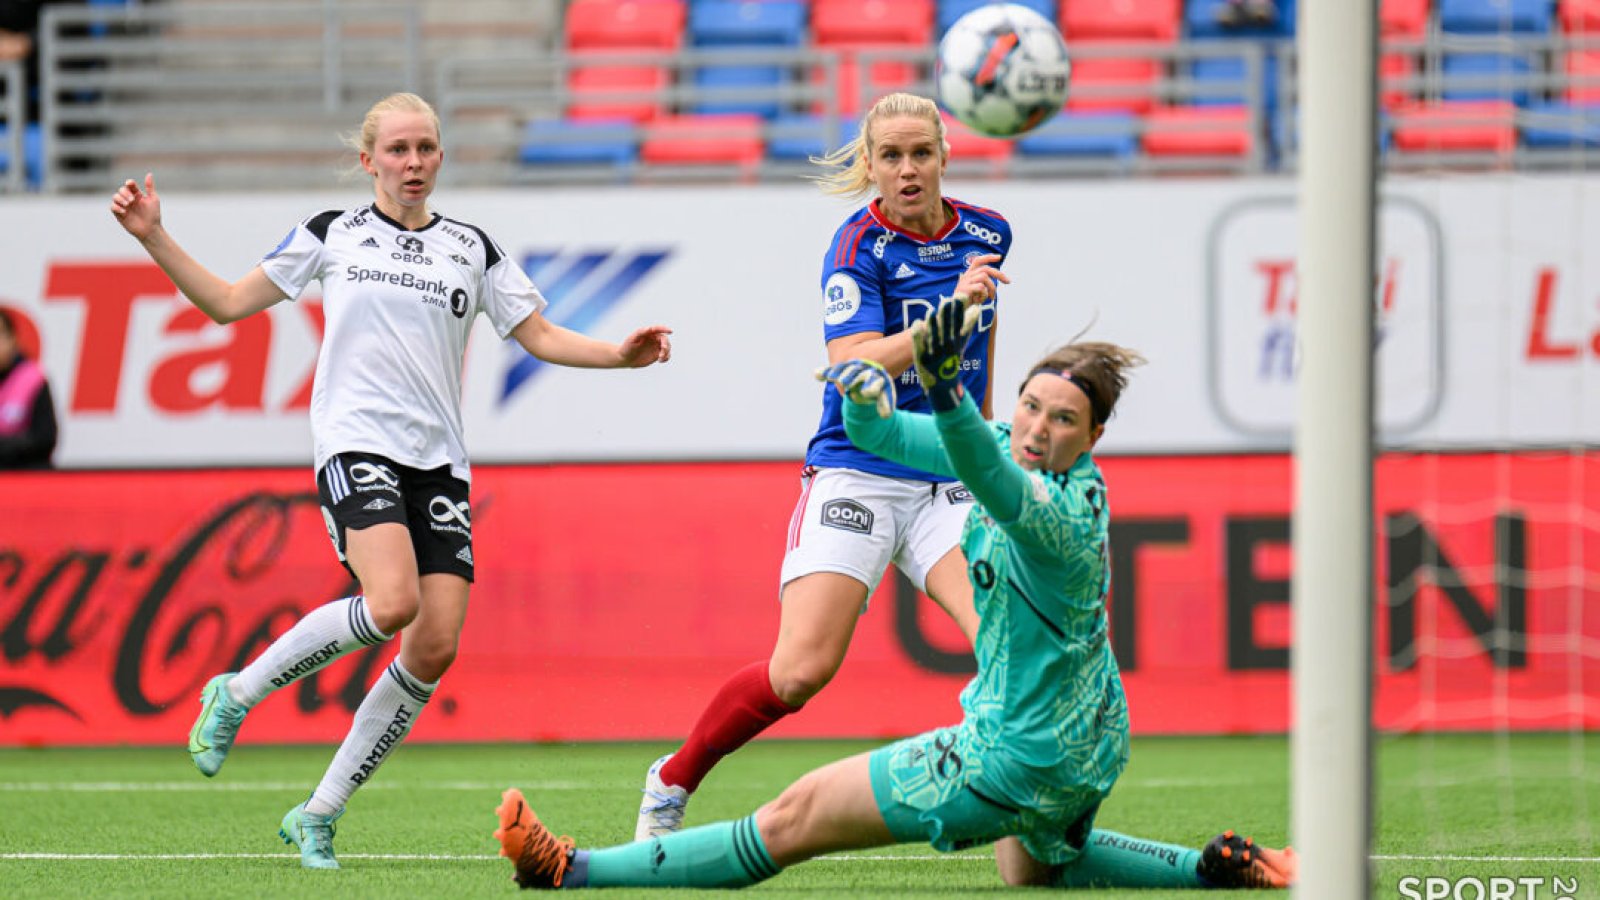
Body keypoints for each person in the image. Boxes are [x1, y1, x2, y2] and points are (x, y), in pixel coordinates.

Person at [493, 299, 1297, 890]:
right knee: (1033, 867)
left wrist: (943, 389)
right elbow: (888, 440)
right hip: (1087, 743)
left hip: (1015, 752)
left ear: (1093, 440)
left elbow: (984, 469)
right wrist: (863, 393)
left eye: (1063, 419)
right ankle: (1216, 868)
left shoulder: (1062, 512)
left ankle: (569, 868)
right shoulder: (1017, 456)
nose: (1038, 427)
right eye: (1029, 405)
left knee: (792, 818)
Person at [108, 91, 672, 870]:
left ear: (441, 155)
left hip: (438, 462)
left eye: (426, 149)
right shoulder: (332, 233)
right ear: (368, 160)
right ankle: (236, 693)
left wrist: (619, 354)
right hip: (355, 443)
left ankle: (317, 813)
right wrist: (154, 236)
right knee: (393, 602)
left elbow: (535, 333)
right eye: (398, 150)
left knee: (432, 646)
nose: (414, 164)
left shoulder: (472, 246)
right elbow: (226, 305)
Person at [631, 91, 1012, 842]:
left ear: (944, 156)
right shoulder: (855, 249)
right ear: (869, 165)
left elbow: (981, 343)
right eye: (891, 157)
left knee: (1003, 640)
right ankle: (673, 779)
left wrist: (987, 446)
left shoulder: (989, 232)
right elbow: (851, 365)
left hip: (947, 474)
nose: (907, 171)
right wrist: (952, 318)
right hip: (860, 469)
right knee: (799, 672)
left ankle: (1009, 805)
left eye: (921, 154)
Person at [0, 305, 57, 468]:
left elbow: (45, 438)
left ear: (13, 340)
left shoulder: (32, 379)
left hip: (23, 469)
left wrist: (6, 447)